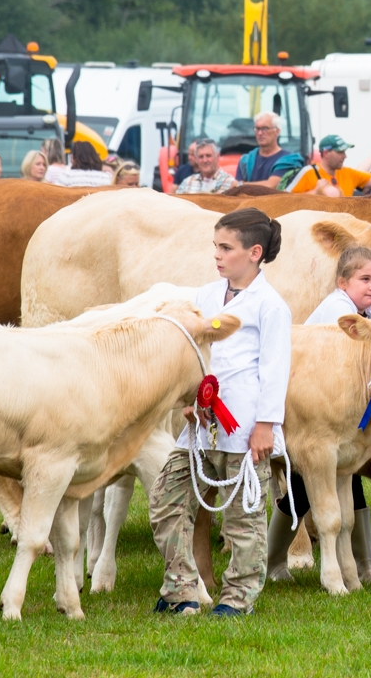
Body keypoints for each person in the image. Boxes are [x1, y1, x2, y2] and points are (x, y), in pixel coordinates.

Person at [150, 208, 291, 617]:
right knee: (165, 500)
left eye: (226, 247)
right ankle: (181, 588)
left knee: (242, 516)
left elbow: (276, 369)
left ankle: (238, 597)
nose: (217, 255)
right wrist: (188, 397)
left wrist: (266, 425)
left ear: (254, 252)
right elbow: (193, 354)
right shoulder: (204, 296)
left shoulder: (271, 306)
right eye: (215, 246)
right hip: (200, 422)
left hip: (246, 426)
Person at [266, 246, 371, 586]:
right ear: (342, 282)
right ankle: (277, 561)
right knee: (307, 490)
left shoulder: (370, 312)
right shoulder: (338, 311)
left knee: (340, 482)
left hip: (345, 413)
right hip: (315, 409)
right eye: (365, 279)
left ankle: (360, 567)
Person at [282, 134, 371, 196]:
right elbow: (284, 199)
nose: (345, 156)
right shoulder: (308, 172)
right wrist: (314, 192)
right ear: (326, 153)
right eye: (340, 152)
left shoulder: (347, 173)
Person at [236, 112, 301, 187]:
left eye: (265, 128)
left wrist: (239, 185)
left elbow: (271, 186)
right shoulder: (245, 161)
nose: (260, 133)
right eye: (257, 129)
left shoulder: (289, 161)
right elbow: (237, 191)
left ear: (277, 131)